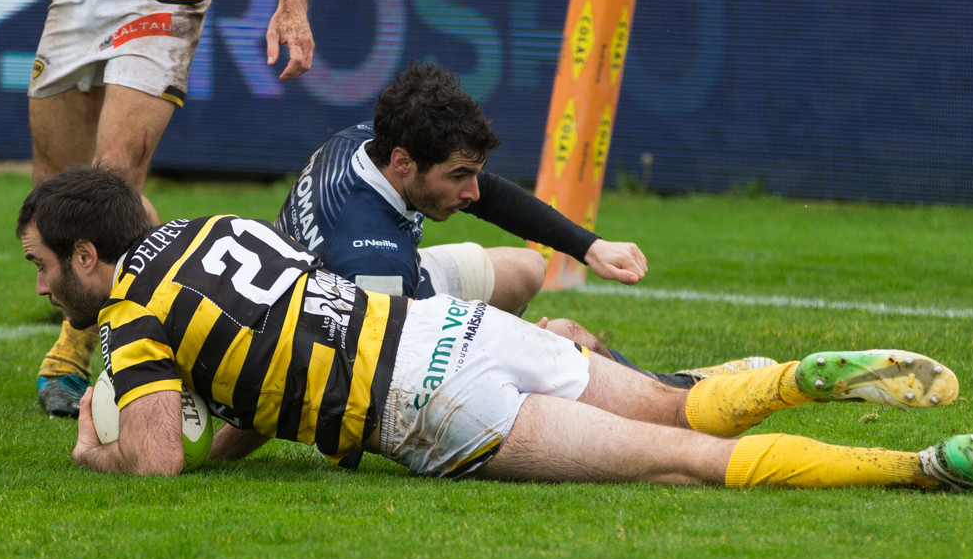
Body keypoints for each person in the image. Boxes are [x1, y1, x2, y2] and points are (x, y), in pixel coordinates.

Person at [17, 165, 973, 493]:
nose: (39, 287)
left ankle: (921, 468)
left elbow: (153, 464)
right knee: (689, 402)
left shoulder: (135, 319)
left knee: (678, 461)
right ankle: (787, 375)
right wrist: (236, 425)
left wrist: (91, 446)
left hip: (424, 403)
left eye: (42, 267)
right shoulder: (216, 226)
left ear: (92, 260)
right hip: (451, 327)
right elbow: (267, 376)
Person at [275, 62, 757, 389]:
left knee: (529, 267)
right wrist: (520, 347)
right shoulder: (370, 258)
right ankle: (678, 389)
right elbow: (399, 378)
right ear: (403, 163)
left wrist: (589, 247)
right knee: (568, 341)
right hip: (355, 336)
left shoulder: (367, 141)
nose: (473, 194)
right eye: (459, 176)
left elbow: (494, 196)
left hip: (377, 285)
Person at [30, 0, 315, 418]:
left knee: (114, 184)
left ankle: (75, 355)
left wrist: (291, 6)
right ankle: (128, 321)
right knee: (52, 195)